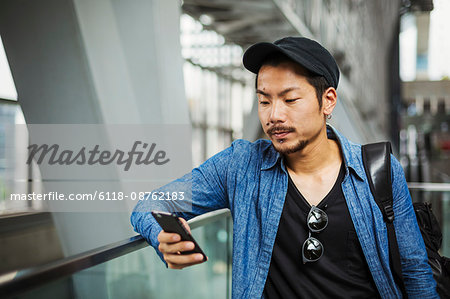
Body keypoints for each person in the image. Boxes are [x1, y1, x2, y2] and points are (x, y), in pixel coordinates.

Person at [131, 37, 438, 298]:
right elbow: (149, 205)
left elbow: (414, 270)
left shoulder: (378, 171)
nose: (274, 115)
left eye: (290, 99)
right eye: (264, 101)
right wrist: (161, 236)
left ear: (327, 101)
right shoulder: (242, 166)